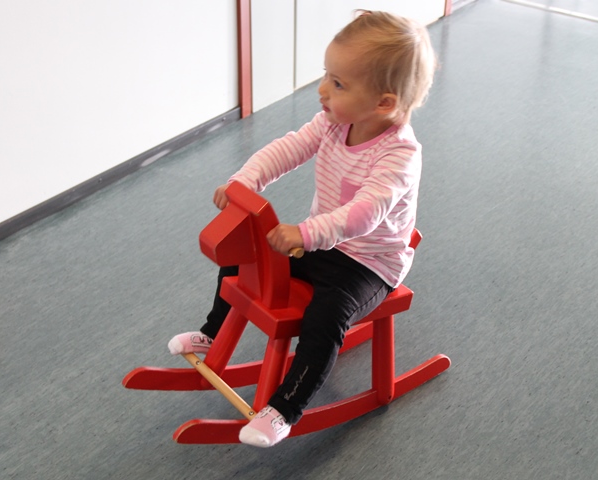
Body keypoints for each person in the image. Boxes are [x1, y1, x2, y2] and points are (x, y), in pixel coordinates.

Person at [168, 10, 437, 447]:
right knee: (245, 256)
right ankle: (211, 334)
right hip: (321, 242)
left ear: (384, 103)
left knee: (326, 317)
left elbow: (364, 214)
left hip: (369, 263)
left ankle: (286, 407)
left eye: (338, 84)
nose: (322, 90)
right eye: (327, 75)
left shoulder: (398, 155)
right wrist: (245, 181)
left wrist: (306, 233)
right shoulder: (334, 121)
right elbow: (288, 148)